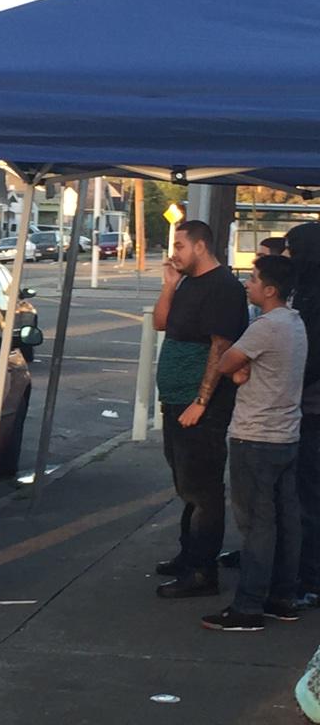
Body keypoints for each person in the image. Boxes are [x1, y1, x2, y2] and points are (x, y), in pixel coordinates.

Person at [200, 256, 306, 631]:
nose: (248, 283)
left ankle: (248, 607)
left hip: (255, 436)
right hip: (286, 434)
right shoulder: (295, 323)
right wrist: (244, 368)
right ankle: (283, 595)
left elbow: (227, 362)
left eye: (255, 278)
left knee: (257, 525)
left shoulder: (265, 327)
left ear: (271, 289)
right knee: (284, 520)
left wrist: (240, 369)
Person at [153, 220, 248, 598]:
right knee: (185, 482)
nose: (173, 253)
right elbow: (163, 323)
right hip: (175, 398)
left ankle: (202, 570)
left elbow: (220, 346)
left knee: (203, 486)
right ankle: (188, 553)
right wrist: (169, 285)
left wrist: (202, 401)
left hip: (199, 404)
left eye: (179, 246)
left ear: (200, 246)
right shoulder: (187, 282)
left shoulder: (223, 287)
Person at [288, 223, 320, 606]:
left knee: (309, 496)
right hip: (305, 405)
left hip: (311, 408)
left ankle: (311, 576)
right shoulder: (307, 291)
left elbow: (312, 359)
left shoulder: (313, 295)